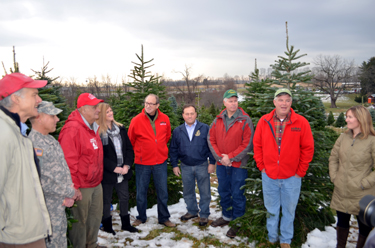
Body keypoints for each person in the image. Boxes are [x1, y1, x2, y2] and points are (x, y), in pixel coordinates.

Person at [253, 88, 314, 248]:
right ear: (274, 102)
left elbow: (308, 148)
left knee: (289, 211)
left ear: (291, 102)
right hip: (269, 176)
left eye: (287, 100)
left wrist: (300, 172)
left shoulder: (301, 122)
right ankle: (272, 238)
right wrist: (262, 166)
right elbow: (257, 145)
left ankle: (286, 240)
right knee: (271, 210)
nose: (284, 103)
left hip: (291, 178)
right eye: (280, 100)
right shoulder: (264, 121)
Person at [0, 73, 51, 247]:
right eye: (34, 95)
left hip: (28, 231)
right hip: (15, 237)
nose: (39, 100)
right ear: (16, 98)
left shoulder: (17, 131)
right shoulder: (3, 133)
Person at [28, 101, 78, 248]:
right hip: (48, 208)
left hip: (59, 204)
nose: (57, 119)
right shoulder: (34, 144)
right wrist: (70, 192)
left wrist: (68, 193)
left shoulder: (49, 139)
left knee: (60, 242)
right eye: (53, 116)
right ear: (39, 118)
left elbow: (61, 169)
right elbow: (42, 181)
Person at [58, 93, 104, 248]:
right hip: (81, 185)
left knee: (95, 218)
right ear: (83, 109)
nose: (98, 110)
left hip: (95, 183)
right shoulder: (73, 129)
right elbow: (68, 161)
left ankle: (92, 244)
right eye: (94, 107)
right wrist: (74, 187)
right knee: (80, 222)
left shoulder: (92, 127)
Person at [208, 89, 254, 238]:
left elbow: (247, 144)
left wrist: (231, 157)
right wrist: (220, 158)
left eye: (235, 100)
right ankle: (226, 216)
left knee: (238, 193)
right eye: (230, 101)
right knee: (224, 191)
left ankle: (238, 222)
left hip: (238, 165)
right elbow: (211, 139)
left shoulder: (245, 120)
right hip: (222, 164)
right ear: (224, 102)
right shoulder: (218, 120)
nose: (233, 103)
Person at [329, 105, 375, 248]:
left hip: (362, 194)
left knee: (364, 228)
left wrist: (364, 183)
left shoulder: (372, 141)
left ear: (360, 119)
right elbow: (333, 158)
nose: (346, 120)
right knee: (341, 223)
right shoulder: (343, 138)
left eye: (350, 117)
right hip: (341, 191)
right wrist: (335, 177)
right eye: (347, 116)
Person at [128, 94, 175, 227]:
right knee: (141, 192)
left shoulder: (165, 119)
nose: (148, 106)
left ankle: (164, 218)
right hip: (142, 163)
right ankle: (141, 217)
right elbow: (130, 140)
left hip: (160, 162)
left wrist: (157, 148)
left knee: (162, 192)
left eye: (151, 104)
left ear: (157, 105)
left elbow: (167, 136)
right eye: (146, 103)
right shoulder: (136, 120)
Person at [170, 104, 216, 226]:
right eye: (187, 114)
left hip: (202, 165)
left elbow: (212, 146)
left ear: (196, 114)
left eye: (192, 113)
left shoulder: (205, 128)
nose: (189, 116)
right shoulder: (177, 131)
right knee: (188, 191)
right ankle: (192, 211)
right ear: (183, 115)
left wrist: (212, 162)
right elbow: (173, 149)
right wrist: (175, 165)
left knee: (204, 191)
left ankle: (204, 214)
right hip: (185, 166)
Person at [96, 103, 138, 235]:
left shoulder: (121, 128)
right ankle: (107, 226)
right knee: (106, 199)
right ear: (102, 114)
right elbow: (99, 155)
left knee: (124, 197)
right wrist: (114, 168)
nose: (111, 113)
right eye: (107, 112)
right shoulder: (98, 131)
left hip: (123, 171)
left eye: (111, 110)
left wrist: (126, 165)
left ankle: (126, 224)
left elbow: (129, 149)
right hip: (108, 173)